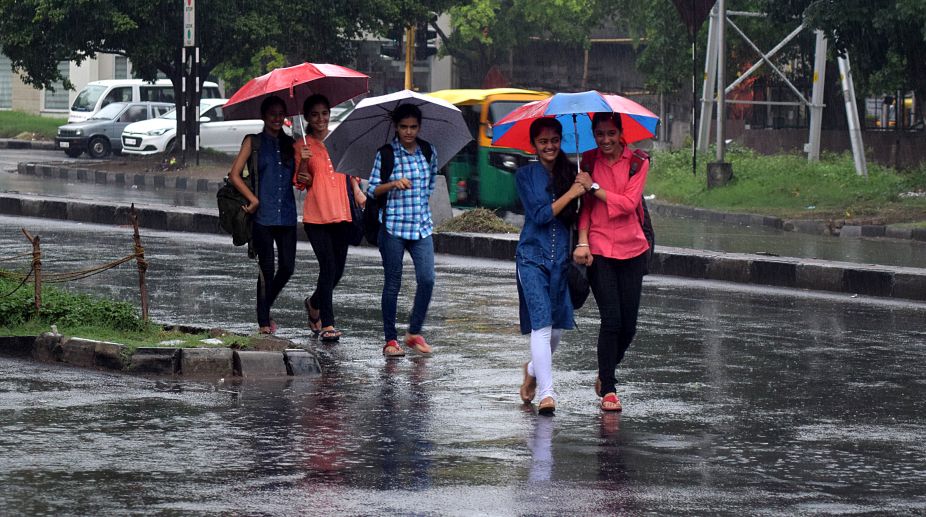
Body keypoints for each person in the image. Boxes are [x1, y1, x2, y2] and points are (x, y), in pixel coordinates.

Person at [572, 112, 650, 412]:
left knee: (629, 326)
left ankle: (604, 372)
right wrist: (582, 241)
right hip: (600, 249)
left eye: (611, 134)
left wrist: (592, 186)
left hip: (632, 249)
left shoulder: (638, 162)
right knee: (612, 320)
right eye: (600, 134)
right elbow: (586, 209)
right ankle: (610, 388)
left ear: (621, 133)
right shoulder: (588, 162)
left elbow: (628, 204)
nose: (605, 140)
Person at [516, 118, 587, 415]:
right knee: (542, 325)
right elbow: (541, 214)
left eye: (554, 140)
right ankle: (547, 394)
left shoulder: (573, 172)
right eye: (543, 141)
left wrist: (584, 188)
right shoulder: (525, 175)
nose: (549, 146)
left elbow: (583, 214)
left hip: (561, 261)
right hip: (532, 258)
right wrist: (571, 193)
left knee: (556, 330)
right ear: (534, 145)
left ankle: (532, 369)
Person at [366, 103, 438, 358]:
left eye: (413, 127)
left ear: (419, 127)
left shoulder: (428, 151)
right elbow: (372, 190)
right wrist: (393, 184)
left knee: (427, 279)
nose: (409, 132)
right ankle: (390, 340)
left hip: (421, 227)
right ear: (396, 127)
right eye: (404, 127)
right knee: (393, 283)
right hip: (393, 226)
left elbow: (430, 186)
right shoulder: (386, 154)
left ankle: (414, 331)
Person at [294, 94, 366, 342]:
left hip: (343, 213)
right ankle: (327, 323)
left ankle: (313, 304)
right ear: (307, 118)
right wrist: (303, 163)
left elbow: (351, 173)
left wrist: (358, 193)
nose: (321, 119)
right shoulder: (302, 146)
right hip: (317, 217)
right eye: (315, 115)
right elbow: (302, 182)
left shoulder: (340, 140)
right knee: (328, 267)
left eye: (324, 113)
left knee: (338, 272)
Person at [228, 95, 298, 334]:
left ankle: (265, 305)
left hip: (287, 215)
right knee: (267, 269)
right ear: (264, 116)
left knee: (287, 267)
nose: (277, 118)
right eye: (273, 114)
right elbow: (234, 174)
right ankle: (263, 321)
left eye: (281, 114)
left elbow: (301, 180)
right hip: (262, 217)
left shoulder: (293, 144)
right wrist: (253, 199)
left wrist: (306, 163)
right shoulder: (253, 142)